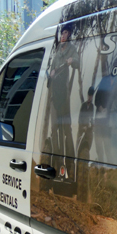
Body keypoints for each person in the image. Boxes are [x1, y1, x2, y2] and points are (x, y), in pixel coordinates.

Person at [48, 24, 80, 177]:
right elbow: (49, 73)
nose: (63, 35)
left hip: (65, 95)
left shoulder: (71, 49)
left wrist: (72, 60)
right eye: (62, 32)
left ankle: (70, 166)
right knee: (54, 130)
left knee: (67, 131)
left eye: (66, 32)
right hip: (55, 95)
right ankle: (55, 164)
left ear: (69, 34)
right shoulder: (56, 52)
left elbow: (77, 62)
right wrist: (51, 73)